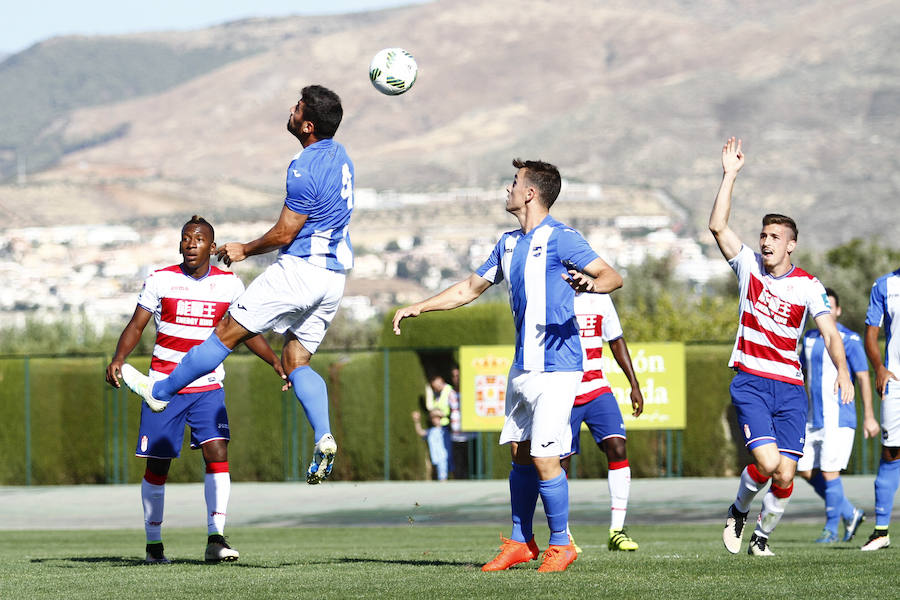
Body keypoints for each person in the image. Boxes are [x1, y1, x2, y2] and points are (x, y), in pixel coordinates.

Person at [393, 158, 622, 572]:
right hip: (524, 367)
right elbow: (469, 288)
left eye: (514, 182)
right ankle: (521, 541)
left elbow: (610, 276)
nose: (508, 188)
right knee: (518, 452)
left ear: (530, 193)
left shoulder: (563, 238)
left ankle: (561, 544)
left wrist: (590, 283)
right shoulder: (508, 242)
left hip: (559, 367)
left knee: (545, 456)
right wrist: (419, 307)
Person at [120, 85, 354, 485]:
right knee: (297, 361)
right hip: (333, 279)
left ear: (308, 124)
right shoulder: (342, 157)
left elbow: (284, 232)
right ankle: (324, 433)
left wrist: (244, 248)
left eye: (297, 108)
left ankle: (160, 392)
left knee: (224, 332)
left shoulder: (303, 166)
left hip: (300, 271)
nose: (292, 110)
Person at [105, 215, 283, 564]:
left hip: (207, 388)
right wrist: (119, 358)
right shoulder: (161, 279)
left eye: (198, 239)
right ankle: (154, 546)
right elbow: (136, 324)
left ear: (210, 246)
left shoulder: (230, 284)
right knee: (158, 466)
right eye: (186, 238)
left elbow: (247, 332)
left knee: (217, 451)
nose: (190, 243)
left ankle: (216, 539)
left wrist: (276, 362)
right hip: (162, 390)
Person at [710, 137, 854, 556]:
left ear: (791, 244)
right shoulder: (748, 266)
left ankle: (761, 538)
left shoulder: (808, 285)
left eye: (775, 236)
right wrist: (729, 175)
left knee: (787, 475)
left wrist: (842, 369)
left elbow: (828, 331)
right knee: (769, 464)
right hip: (752, 381)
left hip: (791, 388)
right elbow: (718, 227)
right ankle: (738, 510)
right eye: (763, 235)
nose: (766, 241)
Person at [561, 292, 644, 553]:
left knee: (618, 447)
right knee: (559, 463)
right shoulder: (553, 292)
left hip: (597, 389)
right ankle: (563, 534)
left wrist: (634, 384)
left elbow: (616, 340)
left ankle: (616, 531)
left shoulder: (600, 297)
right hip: (563, 392)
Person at [797, 287, 877, 543]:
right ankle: (849, 512)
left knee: (830, 471)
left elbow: (863, 377)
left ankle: (831, 529)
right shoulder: (808, 339)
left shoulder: (850, 339)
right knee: (804, 469)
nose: (827, 312)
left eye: (831, 307)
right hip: (812, 418)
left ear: (838, 310)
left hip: (838, 417)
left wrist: (869, 416)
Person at [860, 267, 900, 550]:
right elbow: (871, 336)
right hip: (895, 382)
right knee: (892, 453)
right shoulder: (884, 285)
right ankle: (881, 532)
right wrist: (879, 368)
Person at [424, 373, 454, 476]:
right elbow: (431, 407)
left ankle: (447, 474)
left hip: (447, 426)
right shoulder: (438, 393)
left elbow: (451, 408)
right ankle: (443, 475)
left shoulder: (448, 391)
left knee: (446, 453)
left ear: (440, 380)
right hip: (440, 427)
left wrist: (439, 413)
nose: (434, 388)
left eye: (434, 385)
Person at [411, 408, 450, 481]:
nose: (435, 420)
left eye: (437, 418)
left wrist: (441, 413)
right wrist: (417, 421)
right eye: (433, 418)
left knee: (443, 477)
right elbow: (420, 432)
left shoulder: (446, 429)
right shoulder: (431, 431)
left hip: (444, 457)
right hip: (435, 457)